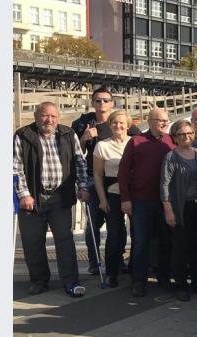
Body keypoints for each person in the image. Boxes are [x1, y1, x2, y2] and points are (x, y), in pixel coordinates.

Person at [14, 102, 91, 297]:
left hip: (61, 197)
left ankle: (70, 281)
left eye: (53, 116)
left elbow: (79, 161)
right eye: (44, 115)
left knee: (65, 240)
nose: (49, 120)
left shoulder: (67, 133)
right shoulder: (23, 135)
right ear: (35, 115)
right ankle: (39, 280)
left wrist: (82, 186)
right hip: (32, 197)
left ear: (58, 118)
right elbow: (16, 168)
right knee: (32, 242)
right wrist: (24, 194)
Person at [71, 86, 140, 275]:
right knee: (94, 223)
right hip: (94, 179)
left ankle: (118, 260)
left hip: (124, 184)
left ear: (112, 103)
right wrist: (84, 138)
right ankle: (94, 262)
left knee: (117, 226)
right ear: (92, 102)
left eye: (106, 100)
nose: (102, 103)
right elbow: (74, 153)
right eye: (98, 100)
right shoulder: (82, 123)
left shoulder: (126, 124)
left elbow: (139, 146)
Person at [119, 108, 176, 297]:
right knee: (141, 242)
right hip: (141, 201)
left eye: (166, 121)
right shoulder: (136, 142)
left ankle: (163, 276)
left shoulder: (171, 141)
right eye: (160, 121)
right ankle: (139, 280)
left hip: (165, 202)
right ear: (150, 121)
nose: (164, 124)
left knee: (165, 242)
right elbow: (124, 172)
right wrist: (126, 199)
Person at [160, 120, 197, 301]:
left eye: (189, 133)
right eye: (182, 134)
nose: (187, 137)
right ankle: (181, 285)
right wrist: (169, 211)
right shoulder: (171, 157)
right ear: (174, 137)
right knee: (180, 247)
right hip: (182, 207)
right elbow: (164, 185)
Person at [92, 110, 132, 288]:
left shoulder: (135, 143)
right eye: (114, 122)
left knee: (138, 233)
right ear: (110, 124)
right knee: (114, 234)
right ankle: (112, 272)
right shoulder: (102, 146)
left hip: (134, 194)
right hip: (113, 193)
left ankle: (135, 269)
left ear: (128, 125)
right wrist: (102, 199)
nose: (118, 126)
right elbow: (98, 175)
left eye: (122, 123)